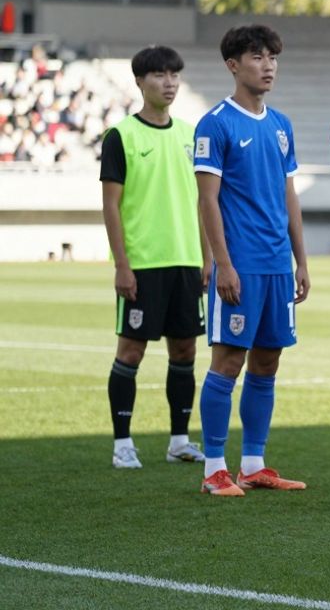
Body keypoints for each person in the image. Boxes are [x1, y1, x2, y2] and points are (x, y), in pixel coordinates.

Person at [193, 24, 310, 497]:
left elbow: (289, 197)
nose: (268, 66)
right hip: (240, 265)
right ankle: (213, 468)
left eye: (273, 58)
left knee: (267, 361)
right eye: (258, 57)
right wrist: (223, 263)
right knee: (228, 362)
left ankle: (254, 465)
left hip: (278, 265)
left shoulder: (281, 125)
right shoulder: (216, 123)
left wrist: (301, 260)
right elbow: (208, 200)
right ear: (233, 65)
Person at [100, 45, 208, 470]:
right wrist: (121, 264)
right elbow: (111, 205)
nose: (170, 83)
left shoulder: (191, 135)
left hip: (186, 260)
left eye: (175, 75)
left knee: (184, 350)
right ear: (140, 82)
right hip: (143, 264)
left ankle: (179, 440)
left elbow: (203, 203)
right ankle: (122, 443)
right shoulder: (121, 136)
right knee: (131, 351)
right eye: (160, 75)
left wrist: (207, 258)